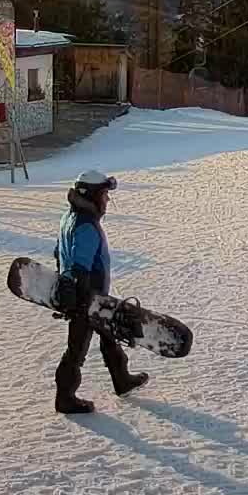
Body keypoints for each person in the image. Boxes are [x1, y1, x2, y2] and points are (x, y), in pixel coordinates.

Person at [53, 170, 148, 414]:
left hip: (93, 298)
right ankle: (65, 397)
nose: (107, 200)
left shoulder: (70, 217)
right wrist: (81, 299)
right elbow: (79, 265)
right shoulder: (86, 227)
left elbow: (58, 252)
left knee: (109, 336)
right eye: (104, 194)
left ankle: (122, 379)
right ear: (93, 196)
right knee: (77, 350)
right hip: (86, 299)